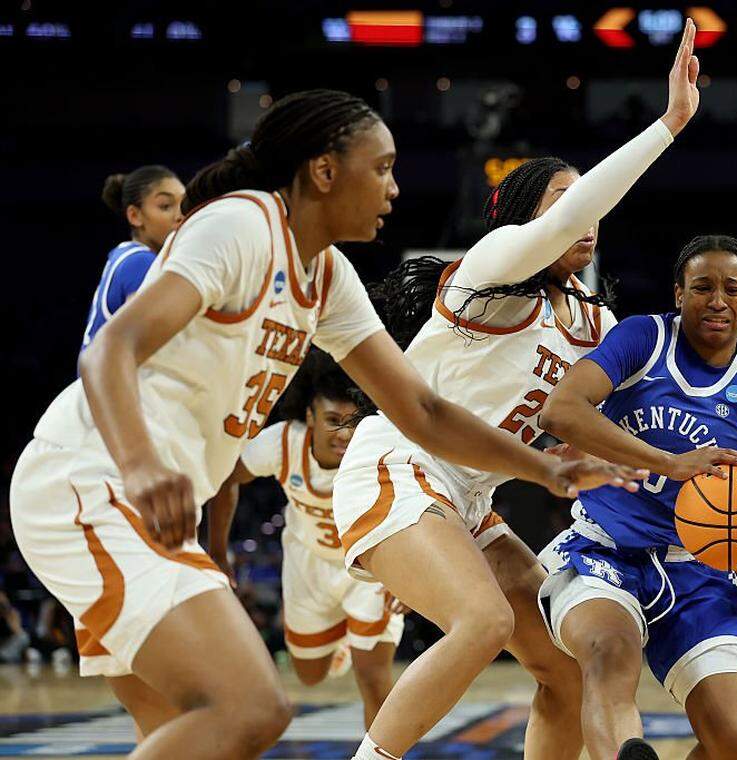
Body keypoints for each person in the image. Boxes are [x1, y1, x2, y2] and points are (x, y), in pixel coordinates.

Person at [9, 88, 641, 760]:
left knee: (183, 725)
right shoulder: (243, 225)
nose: (394, 188)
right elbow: (109, 349)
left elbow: (423, 410)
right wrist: (140, 466)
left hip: (164, 503)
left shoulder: (329, 276)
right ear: (325, 171)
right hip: (97, 477)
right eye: (383, 168)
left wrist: (547, 469)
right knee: (251, 706)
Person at [331, 20, 704, 760]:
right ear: (531, 215)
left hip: (470, 500)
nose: (585, 215)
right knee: (483, 622)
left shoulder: (595, 325)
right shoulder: (488, 270)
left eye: (586, 202)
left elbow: (652, 411)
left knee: (563, 671)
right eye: (567, 201)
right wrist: (668, 125)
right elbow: (572, 214)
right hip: (399, 466)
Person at [538, 234, 737, 760]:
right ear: (679, 294)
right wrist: (668, 463)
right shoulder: (643, 340)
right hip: (605, 550)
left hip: (698, 572)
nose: (717, 300)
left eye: (732, 289)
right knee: (608, 654)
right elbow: (560, 411)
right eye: (702, 287)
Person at [206, 349, 406, 728]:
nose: (343, 434)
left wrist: (409, 577)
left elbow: (415, 505)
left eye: (352, 422)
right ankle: (342, 639)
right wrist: (218, 552)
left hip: (369, 566)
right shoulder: (282, 443)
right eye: (332, 421)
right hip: (307, 563)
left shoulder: (379, 447)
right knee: (309, 675)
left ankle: (378, 751)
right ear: (310, 416)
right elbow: (226, 479)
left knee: (373, 680)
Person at [82, 166, 185, 351]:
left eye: (184, 204)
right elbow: (143, 340)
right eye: (165, 206)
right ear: (135, 216)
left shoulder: (126, 254)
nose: (180, 215)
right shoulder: (140, 261)